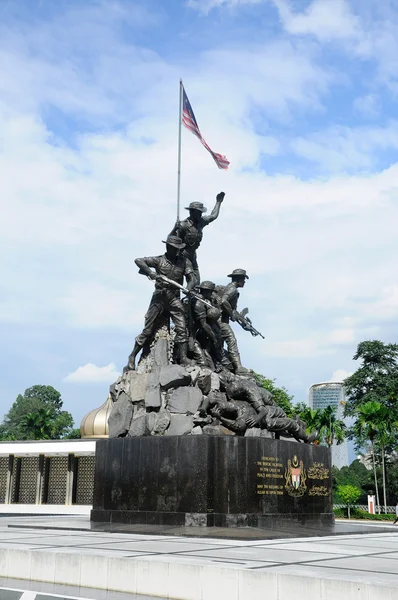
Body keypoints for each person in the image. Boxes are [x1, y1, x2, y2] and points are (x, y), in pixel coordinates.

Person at [125, 235, 195, 370]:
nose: (175, 251)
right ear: (168, 247)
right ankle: (132, 355)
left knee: (182, 327)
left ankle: (184, 358)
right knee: (148, 329)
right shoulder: (159, 260)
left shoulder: (184, 262)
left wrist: (189, 288)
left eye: (177, 249)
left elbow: (192, 278)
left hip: (174, 298)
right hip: (160, 296)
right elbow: (138, 260)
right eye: (173, 248)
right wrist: (151, 273)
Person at [170, 192, 225, 286]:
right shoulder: (183, 225)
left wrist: (218, 202)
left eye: (201, 212)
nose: (200, 214)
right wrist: (174, 229)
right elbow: (171, 241)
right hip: (182, 256)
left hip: (193, 256)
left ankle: (190, 299)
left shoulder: (201, 222)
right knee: (191, 282)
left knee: (197, 283)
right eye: (199, 212)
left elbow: (213, 216)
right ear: (192, 212)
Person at [215, 269, 252, 375]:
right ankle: (238, 367)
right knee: (231, 340)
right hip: (220, 321)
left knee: (220, 344)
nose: (244, 282)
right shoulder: (232, 289)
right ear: (239, 279)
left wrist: (242, 320)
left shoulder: (229, 288)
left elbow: (231, 309)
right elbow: (223, 301)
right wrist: (231, 314)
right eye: (244, 279)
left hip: (220, 320)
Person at [192, 281, 223, 371]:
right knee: (203, 363)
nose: (212, 294)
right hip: (193, 335)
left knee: (208, 350)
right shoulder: (198, 303)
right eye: (211, 292)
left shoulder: (205, 301)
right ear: (207, 291)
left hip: (201, 333)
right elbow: (203, 324)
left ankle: (214, 367)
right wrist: (214, 338)